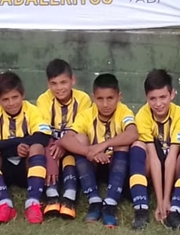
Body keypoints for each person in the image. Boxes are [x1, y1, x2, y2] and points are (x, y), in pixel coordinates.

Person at [58, 73, 139, 227]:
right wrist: (88, 151)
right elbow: (66, 139)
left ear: (119, 97)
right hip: (93, 164)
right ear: (93, 98)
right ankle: (94, 200)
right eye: (100, 99)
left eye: (110, 98)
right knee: (79, 138)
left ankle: (110, 204)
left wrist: (103, 145)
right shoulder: (86, 114)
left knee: (123, 143)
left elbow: (133, 133)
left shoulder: (124, 111)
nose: (105, 104)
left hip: (116, 165)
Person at [0, 71, 52, 225]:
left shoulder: (32, 110)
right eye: (5, 99)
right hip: (3, 167)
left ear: (22, 94)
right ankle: (4, 204)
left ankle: (33, 203)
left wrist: (12, 144)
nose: (11, 103)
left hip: (26, 168)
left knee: (37, 147)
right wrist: (16, 146)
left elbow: (43, 136)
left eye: (15, 97)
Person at [128, 69, 180, 232]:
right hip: (153, 166)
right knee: (137, 146)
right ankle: (141, 208)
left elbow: (172, 158)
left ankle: (175, 210)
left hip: (173, 166)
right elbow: (153, 158)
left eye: (163, 97)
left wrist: (166, 200)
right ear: (146, 98)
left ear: (172, 94)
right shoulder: (142, 115)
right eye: (153, 98)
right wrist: (159, 202)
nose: (158, 103)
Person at [36, 58, 93, 219]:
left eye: (63, 82)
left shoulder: (83, 99)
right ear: (48, 84)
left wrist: (63, 143)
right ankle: (52, 193)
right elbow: (44, 132)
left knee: (81, 139)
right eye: (54, 83)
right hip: (51, 147)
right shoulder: (43, 100)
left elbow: (79, 131)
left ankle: (70, 194)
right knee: (42, 144)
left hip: (71, 144)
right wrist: (53, 154)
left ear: (72, 80)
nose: (59, 88)